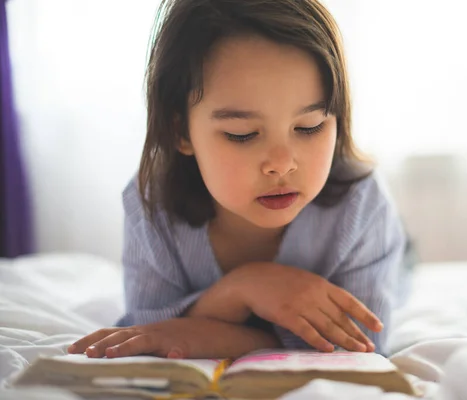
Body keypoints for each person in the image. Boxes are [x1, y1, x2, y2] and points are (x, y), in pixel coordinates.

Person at [68, 0, 410, 360]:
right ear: (180, 130)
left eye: (309, 127)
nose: (282, 165)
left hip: (392, 250)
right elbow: (150, 330)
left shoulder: (362, 204)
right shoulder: (151, 203)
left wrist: (213, 325)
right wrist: (245, 287)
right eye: (242, 133)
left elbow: (360, 348)